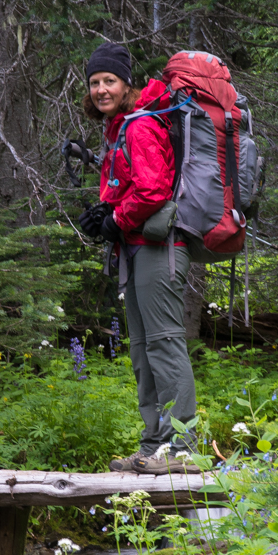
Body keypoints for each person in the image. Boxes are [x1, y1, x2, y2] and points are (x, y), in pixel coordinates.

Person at [77, 42, 199, 474]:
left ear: (126, 83)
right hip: (138, 248)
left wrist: (116, 219)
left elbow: (153, 191)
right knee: (144, 351)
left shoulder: (141, 125)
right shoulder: (120, 127)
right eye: (95, 82)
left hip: (159, 250)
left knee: (164, 343)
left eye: (109, 81)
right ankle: (154, 446)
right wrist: (105, 216)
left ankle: (183, 448)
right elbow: (131, 188)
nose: (101, 90)